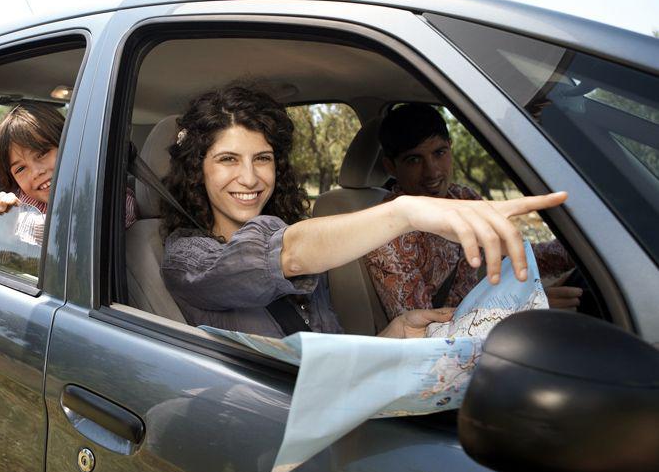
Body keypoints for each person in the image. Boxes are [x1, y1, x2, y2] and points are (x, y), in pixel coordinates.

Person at [159, 86, 568, 339]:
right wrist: (405, 212)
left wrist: (392, 336)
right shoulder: (187, 258)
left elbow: (328, 354)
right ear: (198, 169)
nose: (249, 178)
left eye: (262, 158)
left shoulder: (301, 245)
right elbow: (286, 253)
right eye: (228, 159)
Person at [364, 103, 579, 321]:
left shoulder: (462, 198)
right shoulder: (388, 233)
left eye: (439, 153)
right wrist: (525, 309)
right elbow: (423, 332)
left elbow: (513, 256)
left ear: (450, 146)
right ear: (391, 167)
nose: (432, 171)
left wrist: (579, 249)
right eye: (414, 159)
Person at [0, 101, 138, 230]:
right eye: (20, 169)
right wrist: (2, 211)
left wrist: (14, 223)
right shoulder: (23, 200)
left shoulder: (108, 191)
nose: (36, 172)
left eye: (42, 153)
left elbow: (79, 227)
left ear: (68, 145)